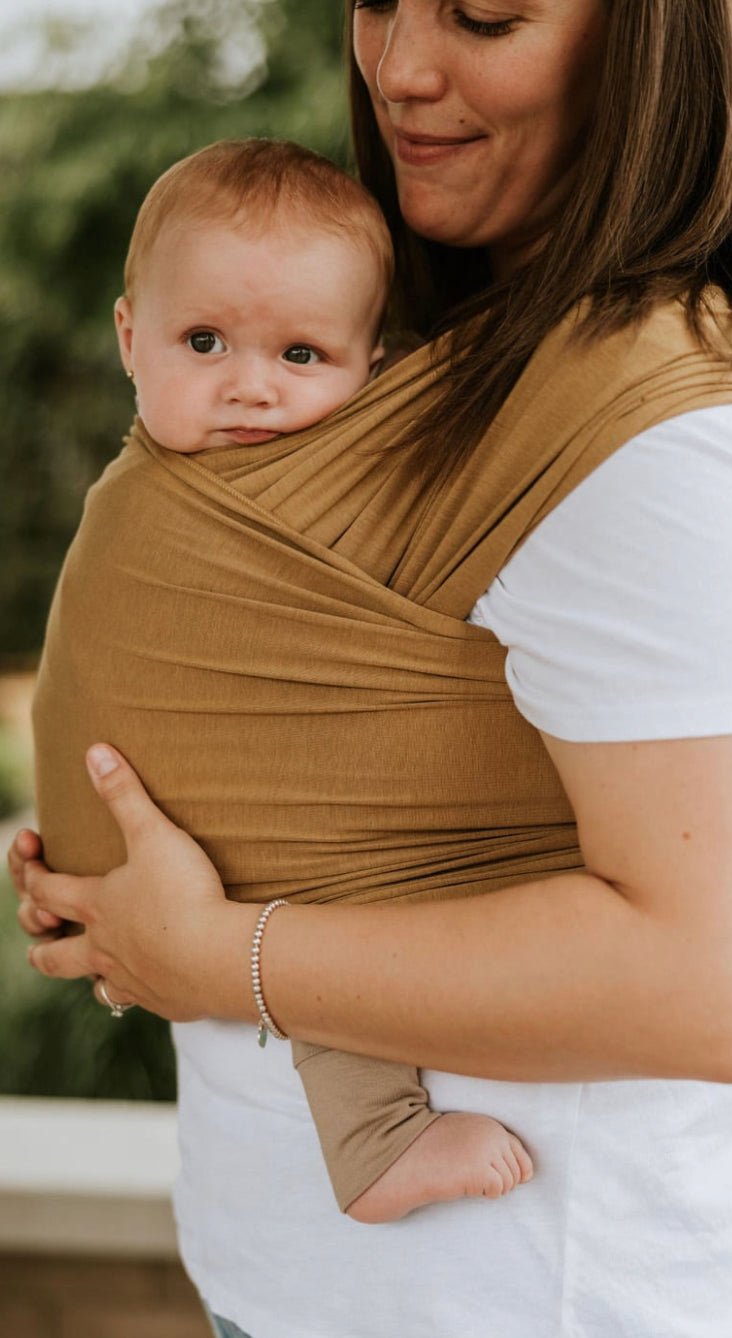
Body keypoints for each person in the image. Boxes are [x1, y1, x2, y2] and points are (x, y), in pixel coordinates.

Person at [11, 2, 732, 1336]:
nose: (401, 70)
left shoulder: (651, 441)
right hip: (303, 1277)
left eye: (484, 14)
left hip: (521, 1290)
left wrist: (205, 950)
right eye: (377, 0)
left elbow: (711, 982)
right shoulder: (428, 333)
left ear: (657, 38)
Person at [30, 132, 534, 1222]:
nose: (248, 388)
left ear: (377, 376)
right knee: (332, 890)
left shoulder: (365, 479)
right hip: (168, 864)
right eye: (203, 341)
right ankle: (380, 1138)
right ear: (130, 337)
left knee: (340, 893)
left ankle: (371, 1130)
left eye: (300, 356)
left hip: (275, 866)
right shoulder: (140, 495)